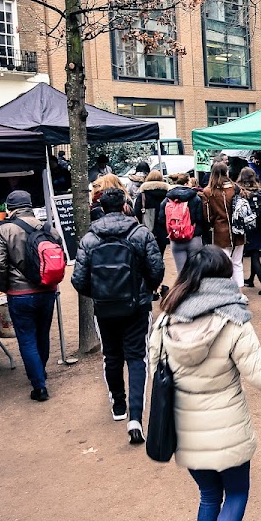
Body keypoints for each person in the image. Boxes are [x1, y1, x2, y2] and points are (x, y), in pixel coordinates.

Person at [148, 245, 261, 521]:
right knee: (237, 493)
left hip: (185, 430)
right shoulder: (234, 320)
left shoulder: (164, 320)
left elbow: (154, 372)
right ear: (225, 275)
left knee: (209, 496)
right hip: (228, 428)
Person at [71, 188, 165, 445]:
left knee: (111, 356)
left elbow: (78, 280)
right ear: (125, 204)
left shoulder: (89, 238)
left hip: (104, 309)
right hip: (136, 307)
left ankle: (118, 406)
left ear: (100, 207)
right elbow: (157, 270)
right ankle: (135, 417)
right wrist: (144, 289)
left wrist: (100, 294)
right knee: (137, 358)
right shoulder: (140, 233)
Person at [0, 191, 60, 402]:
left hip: (20, 294)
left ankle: (39, 386)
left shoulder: (4, 230)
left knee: (27, 338)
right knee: (42, 334)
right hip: (47, 290)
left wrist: (5, 287)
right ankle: (41, 371)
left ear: (10, 208)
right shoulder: (49, 229)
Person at [202, 162, 246, 285]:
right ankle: (240, 293)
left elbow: (207, 216)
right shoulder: (236, 188)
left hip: (220, 231)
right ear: (227, 172)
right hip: (238, 229)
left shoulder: (208, 192)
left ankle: (227, 293)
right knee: (237, 263)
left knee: (223, 265)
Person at [236, 168, 261, 295]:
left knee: (250, 254)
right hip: (259, 223)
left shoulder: (239, 191)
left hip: (246, 224)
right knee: (255, 252)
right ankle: (252, 280)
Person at [161, 174, 209, 273]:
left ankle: (183, 288)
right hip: (194, 237)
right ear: (187, 183)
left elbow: (161, 219)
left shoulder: (167, 199)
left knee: (181, 272)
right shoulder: (195, 198)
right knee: (195, 271)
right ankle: (195, 288)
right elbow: (201, 219)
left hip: (176, 238)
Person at [135, 170, 172, 254]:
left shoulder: (143, 195)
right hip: (164, 229)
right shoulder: (168, 194)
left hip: (147, 228)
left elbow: (137, 212)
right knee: (160, 252)